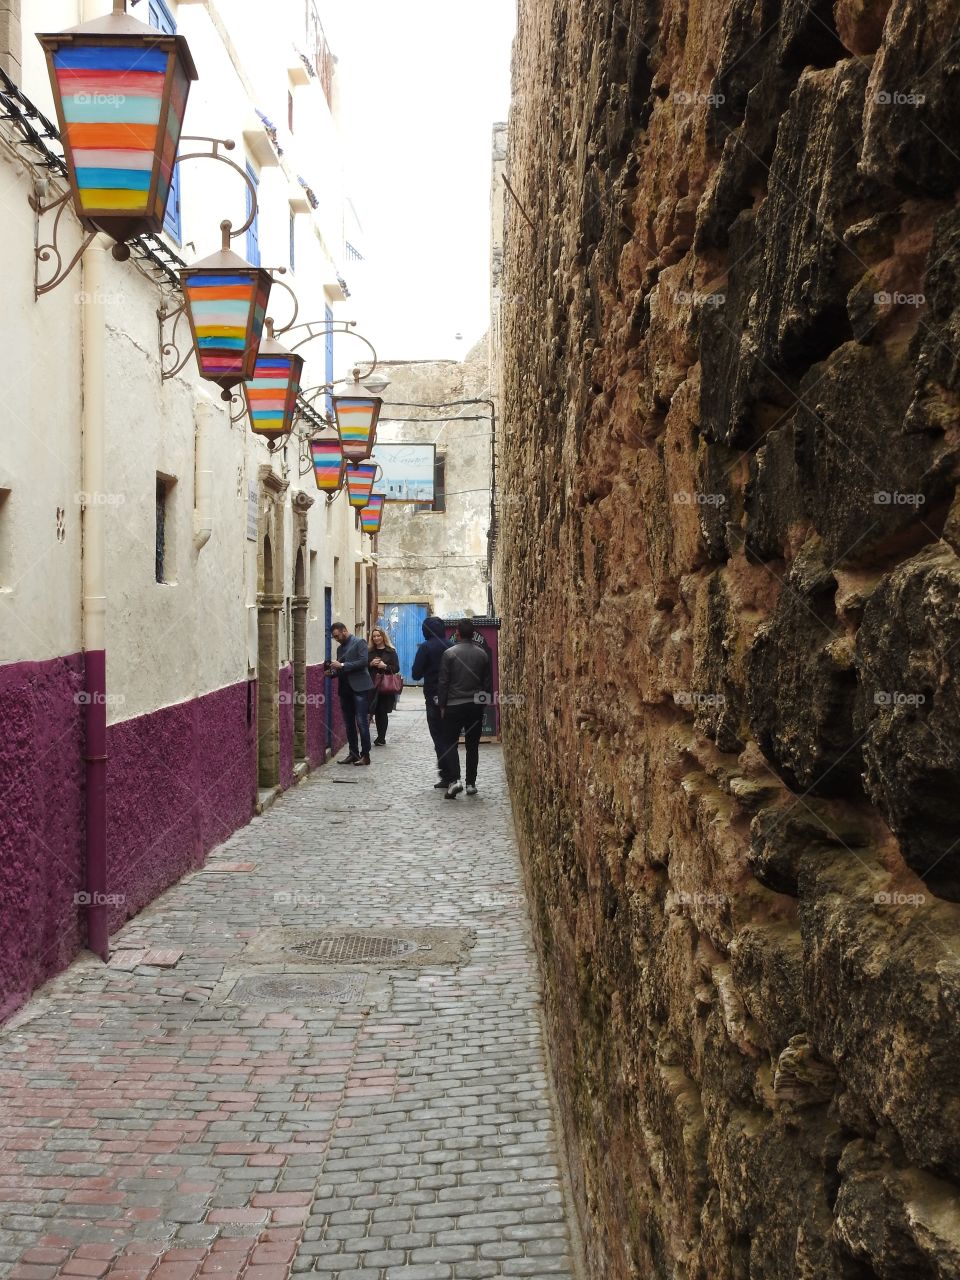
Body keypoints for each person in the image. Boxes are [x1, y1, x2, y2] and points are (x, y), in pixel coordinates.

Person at [437, 619, 491, 799]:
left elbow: (443, 683)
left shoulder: (449, 654)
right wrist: (483, 702)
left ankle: (454, 780)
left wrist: (442, 706)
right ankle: (471, 784)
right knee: (472, 745)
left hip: (453, 705)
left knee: (449, 743)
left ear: (458, 633)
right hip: (474, 705)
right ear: (473, 633)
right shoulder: (482, 654)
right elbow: (487, 683)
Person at [411, 615, 453, 788]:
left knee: (437, 735)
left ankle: (447, 774)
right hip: (452, 696)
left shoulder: (426, 648)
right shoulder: (452, 646)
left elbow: (415, 674)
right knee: (449, 736)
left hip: (433, 696)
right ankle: (452, 774)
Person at [327, 622, 375, 765]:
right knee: (348, 723)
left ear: (344, 630)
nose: (336, 639)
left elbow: (363, 662)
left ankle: (365, 755)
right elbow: (341, 669)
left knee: (361, 722)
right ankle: (353, 753)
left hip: (360, 688)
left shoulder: (359, 642)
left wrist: (341, 665)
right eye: (334, 637)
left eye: (337, 636)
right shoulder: (340, 649)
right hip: (345, 689)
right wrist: (332, 673)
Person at [368, 627, 400, 745]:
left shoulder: (391, 651)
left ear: (383, 637)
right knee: (374, 710)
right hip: (372, 684)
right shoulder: (369, 651)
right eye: (374, 636)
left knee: (382, 711)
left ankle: (381, 737)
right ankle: (379, 736)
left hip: (385, 685)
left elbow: (396, 668)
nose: (376, 638)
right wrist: (371, 664)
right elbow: (364, 667)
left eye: (378, 636)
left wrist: (384, 666)